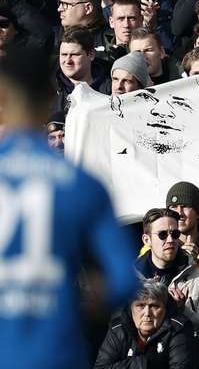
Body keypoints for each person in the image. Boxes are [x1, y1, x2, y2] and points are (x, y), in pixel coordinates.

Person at [0, 46, 137, 368]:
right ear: (50, 97)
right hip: (57, 350)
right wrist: (72, 308)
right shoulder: (81, 183)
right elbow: (123, 279)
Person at [94, 279, 198, 369]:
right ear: (131, 309)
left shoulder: (178, 328)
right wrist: (141, 365)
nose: (147, 313)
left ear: (165, 309)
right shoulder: (118, 329)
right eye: (140, 306)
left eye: (154, 306)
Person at [135, 207, 199, 328]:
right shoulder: (131, 279)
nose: (170, 240)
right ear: (146, 240)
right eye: (162, 234)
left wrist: (181, 310)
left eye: (175, 234)